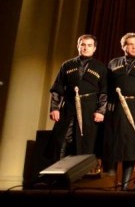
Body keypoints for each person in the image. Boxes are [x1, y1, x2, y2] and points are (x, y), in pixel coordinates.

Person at [45, 34, 107, 163]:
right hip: (68, 107)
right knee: (61, 141)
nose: (86, 48)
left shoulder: (101, 68)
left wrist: (101, 111)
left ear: (94, 48)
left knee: (84, 143)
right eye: (83, 44)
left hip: (89, 110)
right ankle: (59, 170)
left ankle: (79, 173)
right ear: (78, 46)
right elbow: (57, 89)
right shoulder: (67, 65)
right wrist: (55, 108)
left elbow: (104, 92)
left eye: (89, 45)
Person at [102, 32, 135, 190]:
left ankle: (125, 186)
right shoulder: (113, 63)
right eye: (130, 44)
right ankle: (110, 184)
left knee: (131, 148)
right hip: (115, 109)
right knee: (113, 146)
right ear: (123, 47)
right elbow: (106, 87)